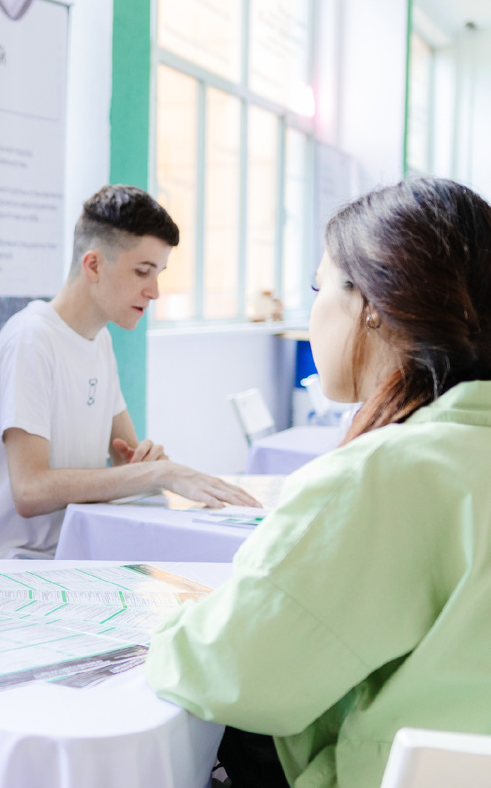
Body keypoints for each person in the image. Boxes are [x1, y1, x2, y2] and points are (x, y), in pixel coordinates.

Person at [145, 177, 491, 788]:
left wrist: (176, 623)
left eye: (317, 286)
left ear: (372, 303)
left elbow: (227, 670)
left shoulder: (384, 474)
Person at [0, 185, 258, 560]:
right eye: (142, 272)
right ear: (92, 265)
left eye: (158, 273)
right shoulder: (32, 340)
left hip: (65, 555)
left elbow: (128, 461)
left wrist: (146, 464)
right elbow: (30, 491)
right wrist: (160, 473)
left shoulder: (99, 341)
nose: (155, 291)